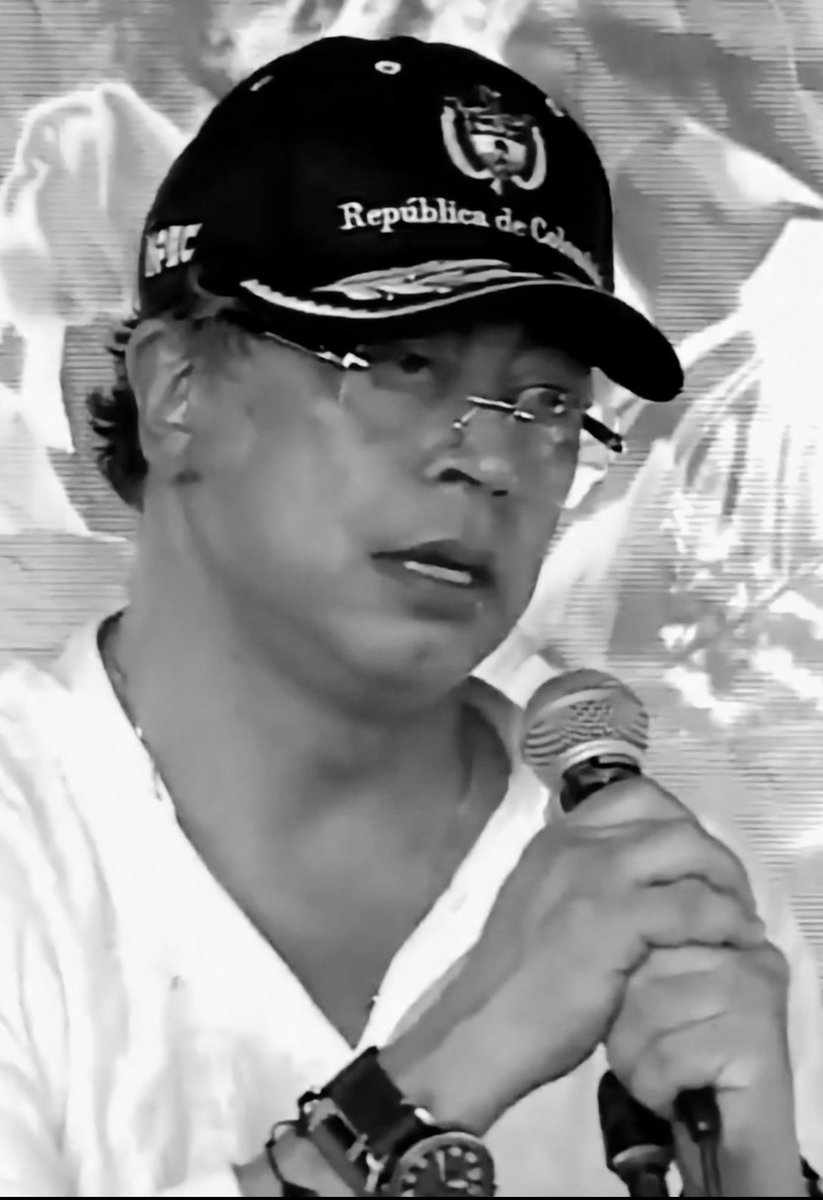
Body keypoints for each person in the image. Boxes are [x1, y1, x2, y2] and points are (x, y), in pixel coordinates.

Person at [0, 33, 820, 1198]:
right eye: (400, 364)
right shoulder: (30, 843)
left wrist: (758, 1178)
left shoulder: (673, 888)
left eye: (546, 404)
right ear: (178, 391)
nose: (489, 458)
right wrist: (451, 1066)